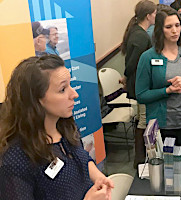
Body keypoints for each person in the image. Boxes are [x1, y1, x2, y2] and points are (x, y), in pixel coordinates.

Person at [0, 55, 114, 200]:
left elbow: (81, 157)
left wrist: (97, 176)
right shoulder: (16, 158)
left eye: (70, 85)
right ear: (36, 99)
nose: (74, 94)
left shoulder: (65, 127)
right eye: (62, 89)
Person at [135, 7, 181, 155]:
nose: (174, 31)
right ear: (160, 30)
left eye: (177, 25)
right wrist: (167, 91)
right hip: (161, 127)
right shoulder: (147, 57)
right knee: (164, 173)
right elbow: (141, 95)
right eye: (169, 27)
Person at [120, 0, 157, 168]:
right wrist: (126, 78)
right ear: (148, 16)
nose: (156, 16)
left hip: (137, 81)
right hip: (139, 83)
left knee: (143, 118)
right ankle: (140, 159)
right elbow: (133, 63)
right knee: (143, 120)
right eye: (155, 13)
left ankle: (141, 157)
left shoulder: (136, 32)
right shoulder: (141, 36)